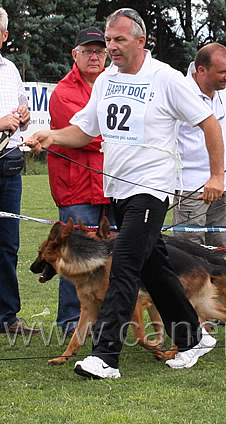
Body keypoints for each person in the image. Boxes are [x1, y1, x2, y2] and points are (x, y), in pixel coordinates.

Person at [26, 8, 224, 379]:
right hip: (118, 189)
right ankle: (193, 337)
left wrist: (216, 175)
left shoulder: (165, 78)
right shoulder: (106, 81)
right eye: (108, 40)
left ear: (140, 40)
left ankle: (105, 356)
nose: (111, 47)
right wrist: (52, 136)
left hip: (152, 189)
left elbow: (208, 122)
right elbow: (84, 131)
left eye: (118, 40)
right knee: (156, 268)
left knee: (125, 267)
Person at [47, 27, 115, 337]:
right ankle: (69, 323)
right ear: (75, 55)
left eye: (99, 51)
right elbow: (85, 135)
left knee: (108, 258)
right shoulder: (64, 91)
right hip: (76, 189)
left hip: (108, 187)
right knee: (74, 259)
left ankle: (104, 322)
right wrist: (117, 135)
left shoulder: (113, 85)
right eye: (87, 50)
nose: (94, 56)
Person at [173, 43, 226, 257]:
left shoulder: (225, 91)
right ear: (201, 70)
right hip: (191, 189)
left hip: (223, 187)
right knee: (189, 256)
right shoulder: (179, 91)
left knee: (220, 252)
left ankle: (218, 292)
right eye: (222, 72)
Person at [0, 7, 39, 336]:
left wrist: (23, 116)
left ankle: (7, 317)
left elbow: (23, 108)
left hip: (10, 160)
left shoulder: (10, 69)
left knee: (8, 244)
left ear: (4, 35)